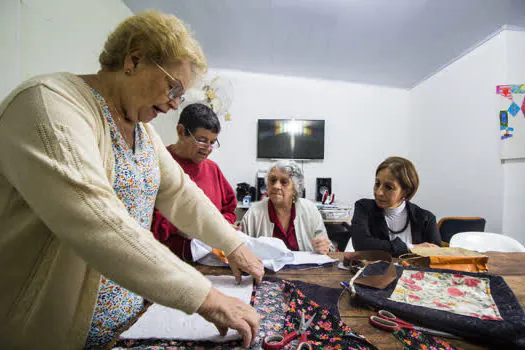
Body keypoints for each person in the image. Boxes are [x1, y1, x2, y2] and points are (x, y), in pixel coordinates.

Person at [0, 11, 263, 349]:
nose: (174, 104)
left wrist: (234, 244)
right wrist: (206, 297)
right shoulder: (48, 104)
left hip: (132, 323)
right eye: (174, 87)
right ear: (134, 59)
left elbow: (181, 194)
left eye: (181, 95)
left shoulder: (143, 131)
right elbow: (97, 221)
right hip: (53, 332)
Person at [151, 103, 238, 260]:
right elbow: (146, 217)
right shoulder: (158, 164)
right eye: (202, 140)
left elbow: (229, 208)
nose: (207, 148)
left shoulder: (213, 169)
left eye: (212, 142)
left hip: (209, 259)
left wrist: (221, 226)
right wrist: (182, 225)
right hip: (167, 260)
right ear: (181, 132)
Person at [348, 156, 441, 257]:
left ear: (406, 192)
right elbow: (361, 244)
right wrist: (411, 248)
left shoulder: (426, 219)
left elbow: (435, 255)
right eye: (377, 183)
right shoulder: (364, 207)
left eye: (389, 187)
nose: (379, 192)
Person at [241, 160, 332, 254]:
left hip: (304, 268)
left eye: (284, 182)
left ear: (295, 188)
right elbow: (240, 249)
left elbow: (328, 247)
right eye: (272, 180)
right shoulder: (253, 213)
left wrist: (324, 247)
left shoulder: (310, 210)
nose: (276, 186)